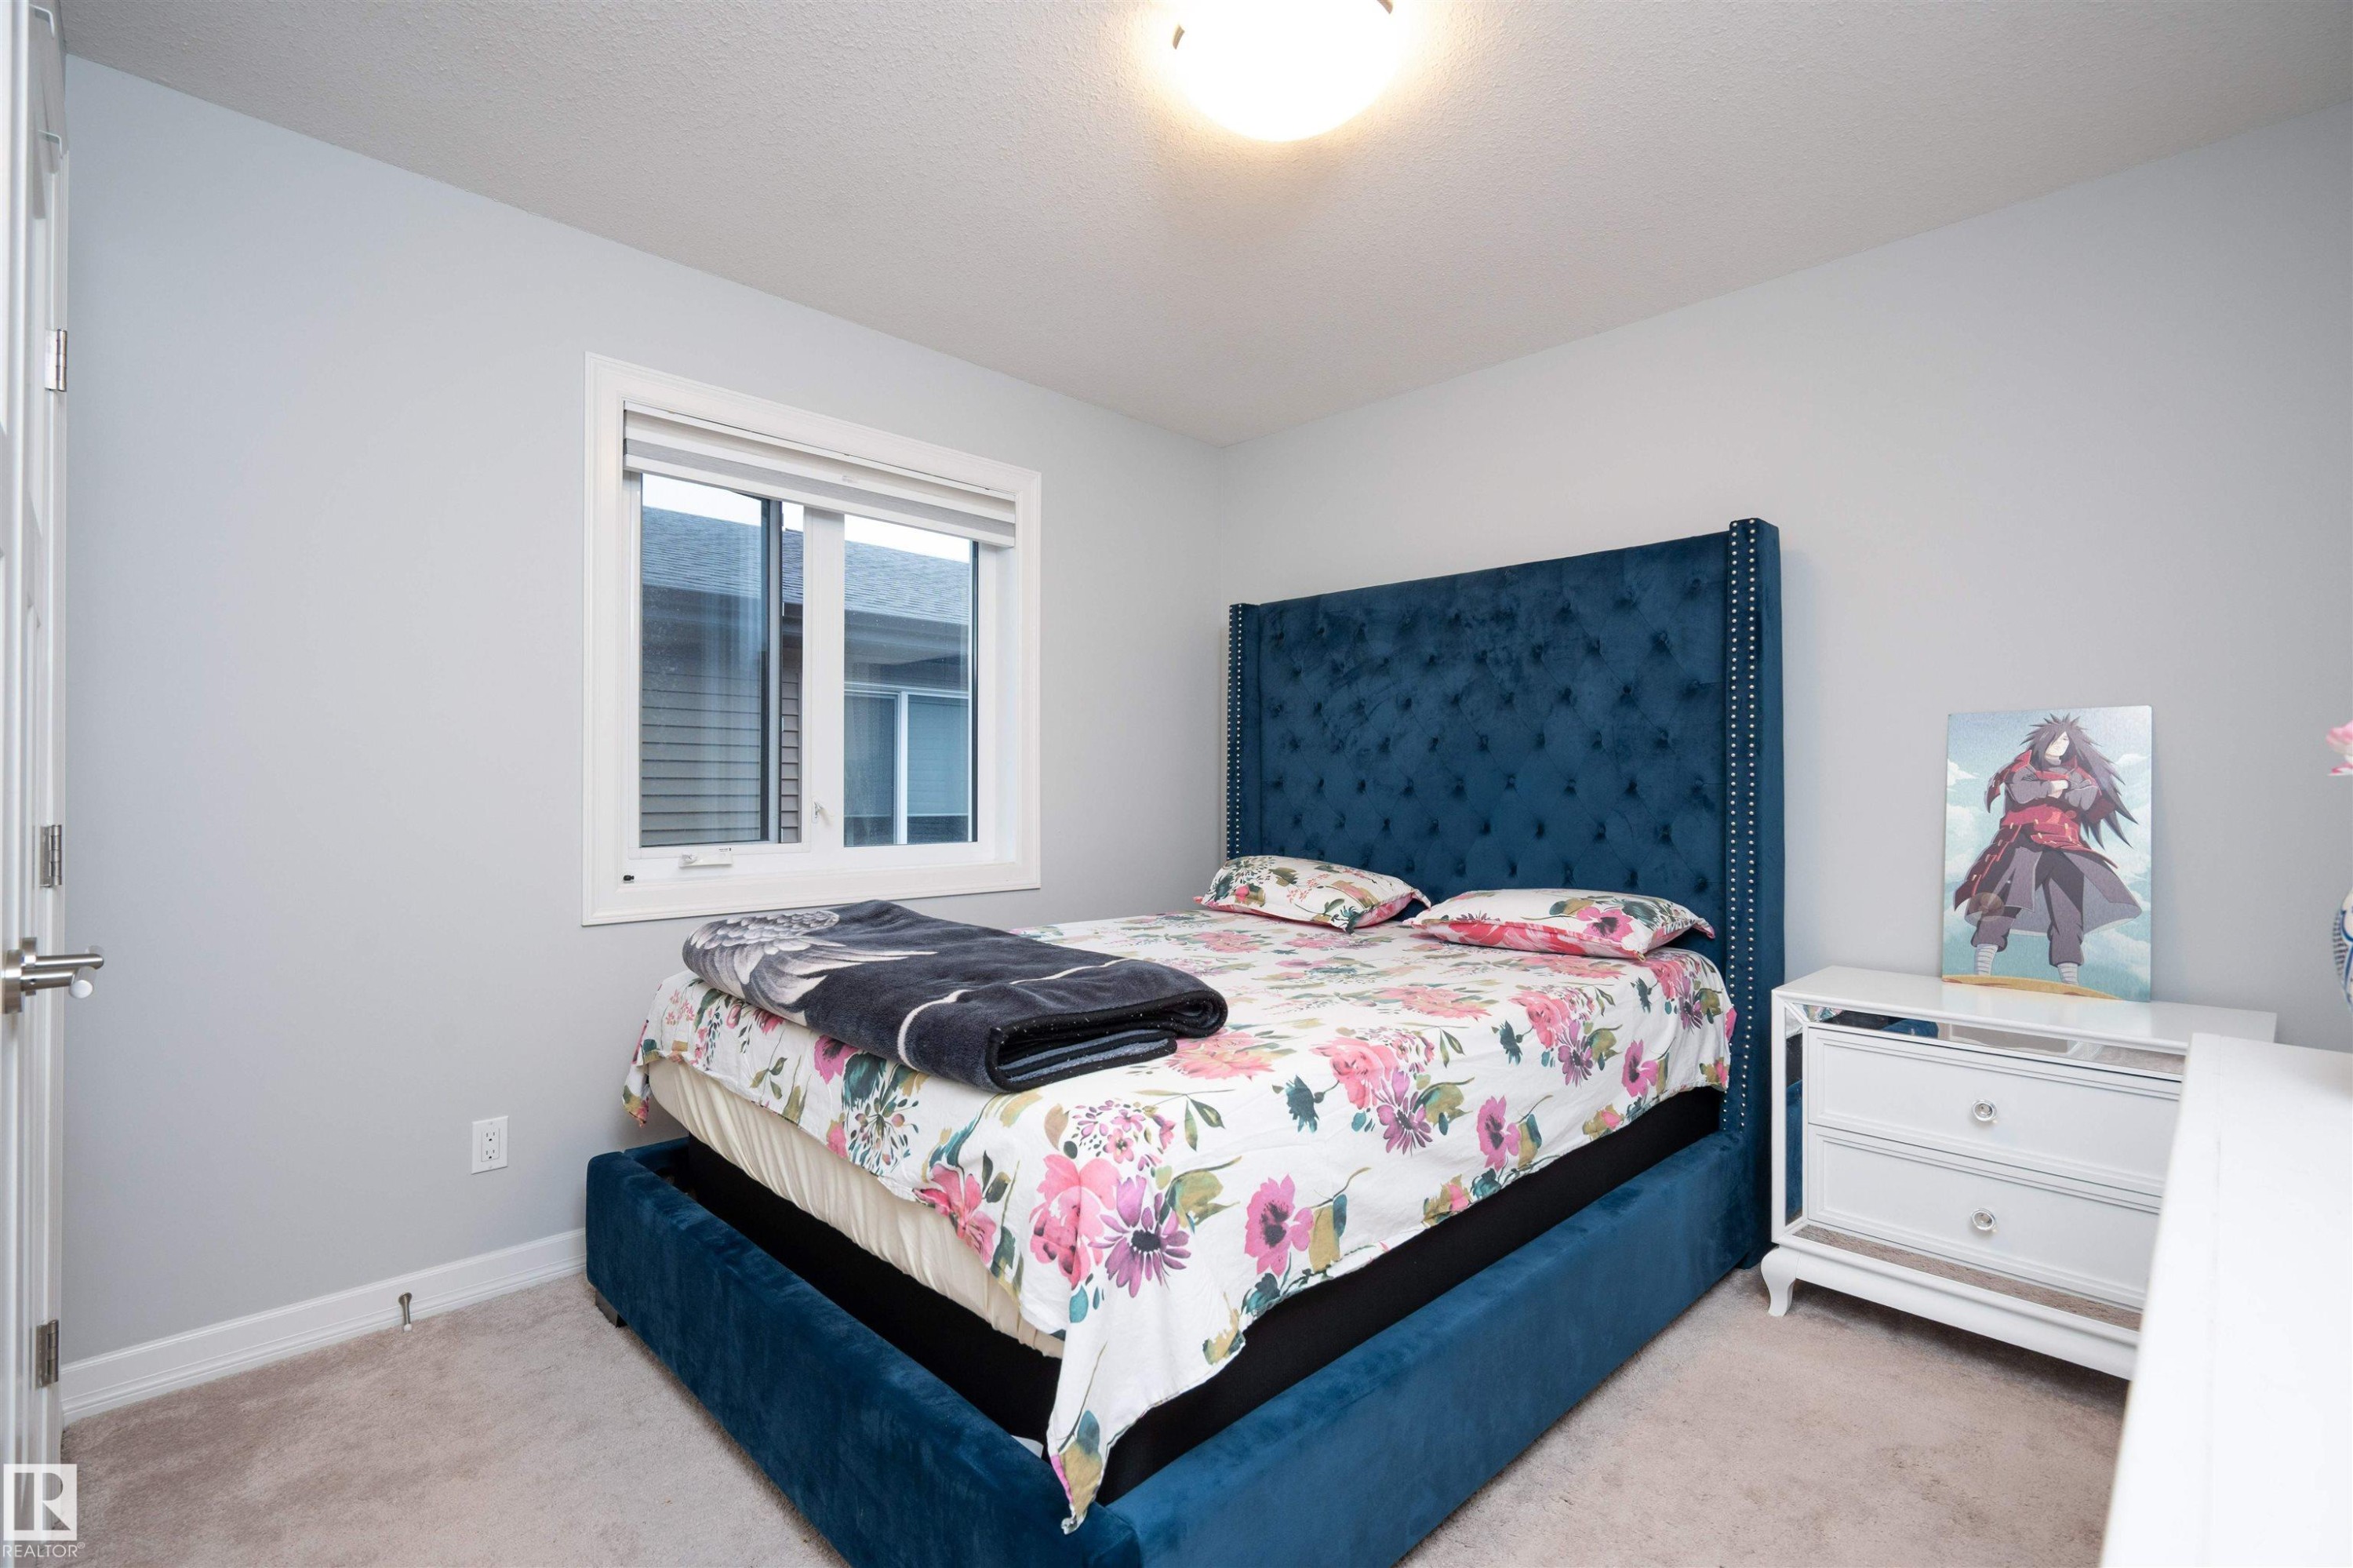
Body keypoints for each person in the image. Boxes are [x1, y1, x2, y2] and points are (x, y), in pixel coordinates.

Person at [1953, 715, 2140, 989]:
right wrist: (2059, 786)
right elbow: (2023, 792)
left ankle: (2071, 983)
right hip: (2025, 844)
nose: (2061, 746)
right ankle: (1982, 971)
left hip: (2067, 850)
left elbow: (2087, 799)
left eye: (2066, 741)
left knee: (2069, 914)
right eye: (2057, 740)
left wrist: (2052, 789)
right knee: (2003, 904)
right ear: (2044, 741)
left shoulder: (2080, 775)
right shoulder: (2022, 766)